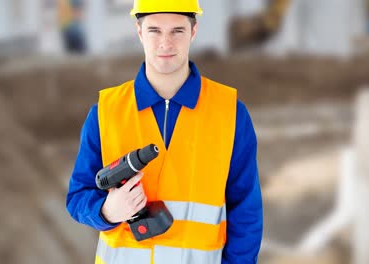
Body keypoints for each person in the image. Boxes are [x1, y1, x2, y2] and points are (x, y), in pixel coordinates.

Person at [66, 0, 263, 263]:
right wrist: (106, 212)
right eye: (155, 30)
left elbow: (246, 212)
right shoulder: (106, 113)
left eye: (177, 31)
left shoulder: (230, 114)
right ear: (139, 31)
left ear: (193, 31)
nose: (165, 43)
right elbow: (78, 196)